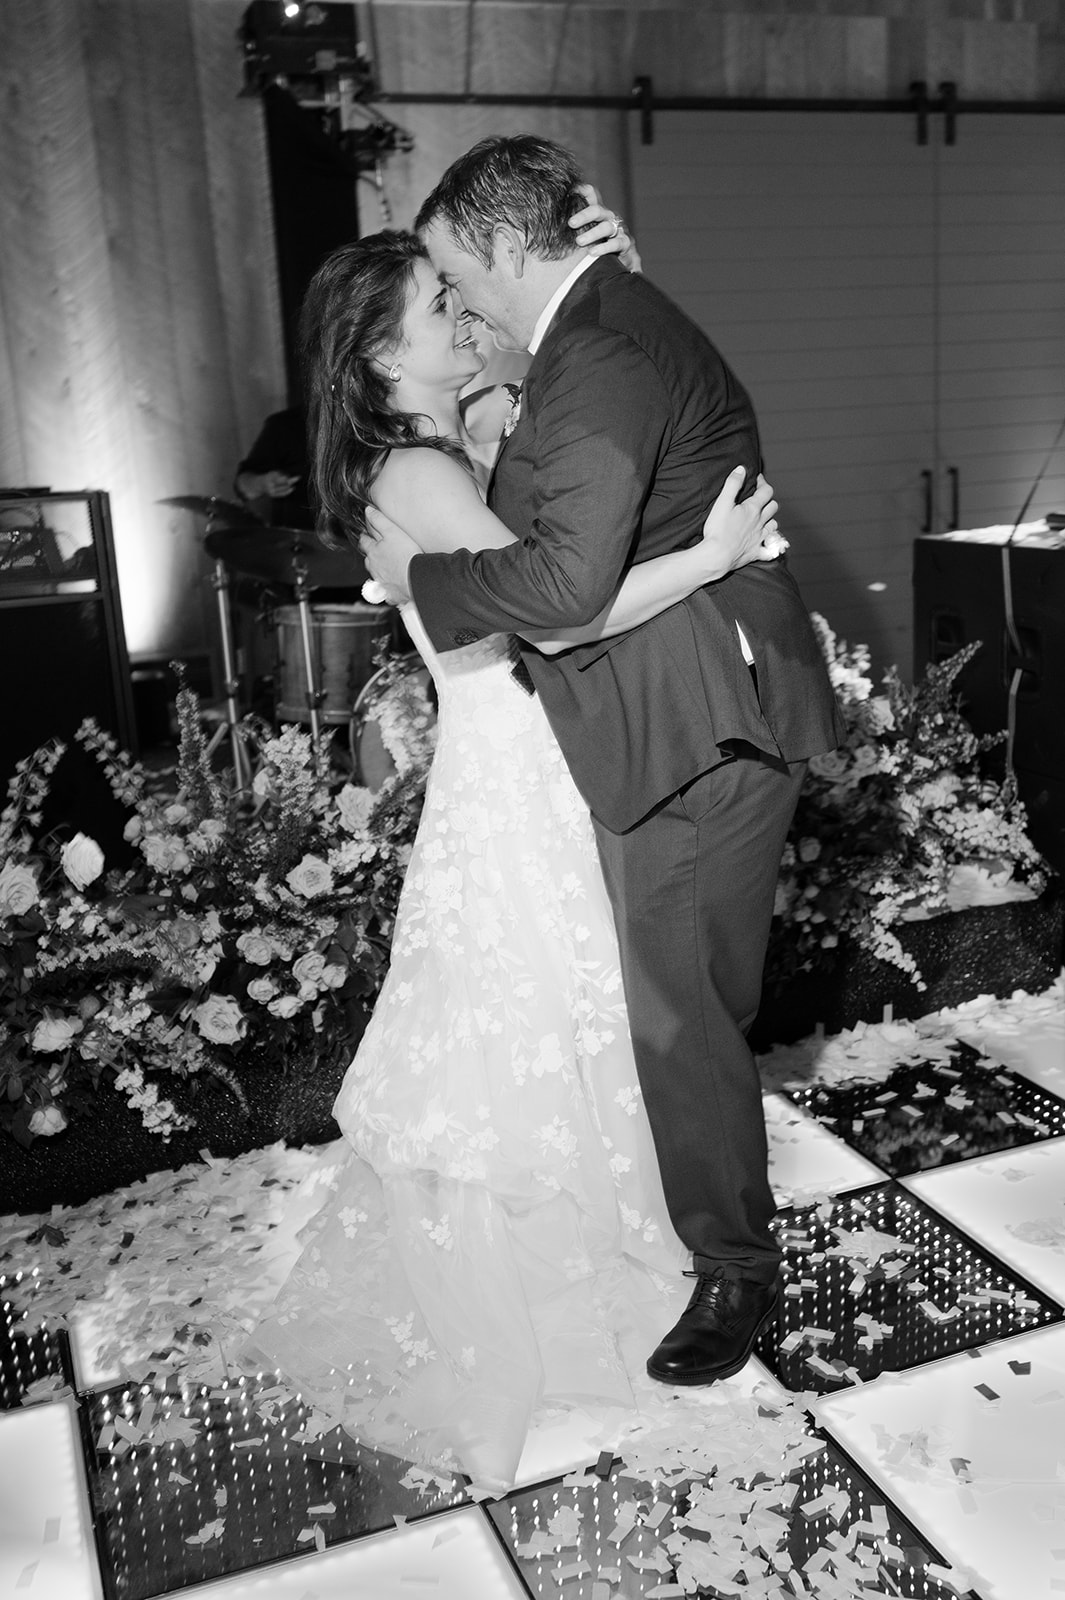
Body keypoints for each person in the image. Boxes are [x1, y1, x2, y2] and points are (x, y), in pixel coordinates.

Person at [244, 201, 784, 1488]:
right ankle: (564, 1296)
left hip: (523, 762)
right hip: (520, 766)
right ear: (379, 358)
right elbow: (566, 609)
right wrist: (709, 556)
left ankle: (644, 1247)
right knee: (564, 1022)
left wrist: (616, 274)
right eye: (439, 308)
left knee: (593, 1014)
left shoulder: (448, 444)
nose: (463, 315)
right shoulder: (421, 474)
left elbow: (579, 392)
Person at [361, 136, 845, 1399]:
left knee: (680, 1010)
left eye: (459, 274)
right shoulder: (593, 336)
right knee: (683, 1002)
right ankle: (691, 1210)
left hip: (687, 721)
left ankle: (733, 1266)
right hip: (673, 714)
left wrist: (429, 582)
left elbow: (564, 587)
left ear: (510, 246)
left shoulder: (603, 349)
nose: (459, 301)